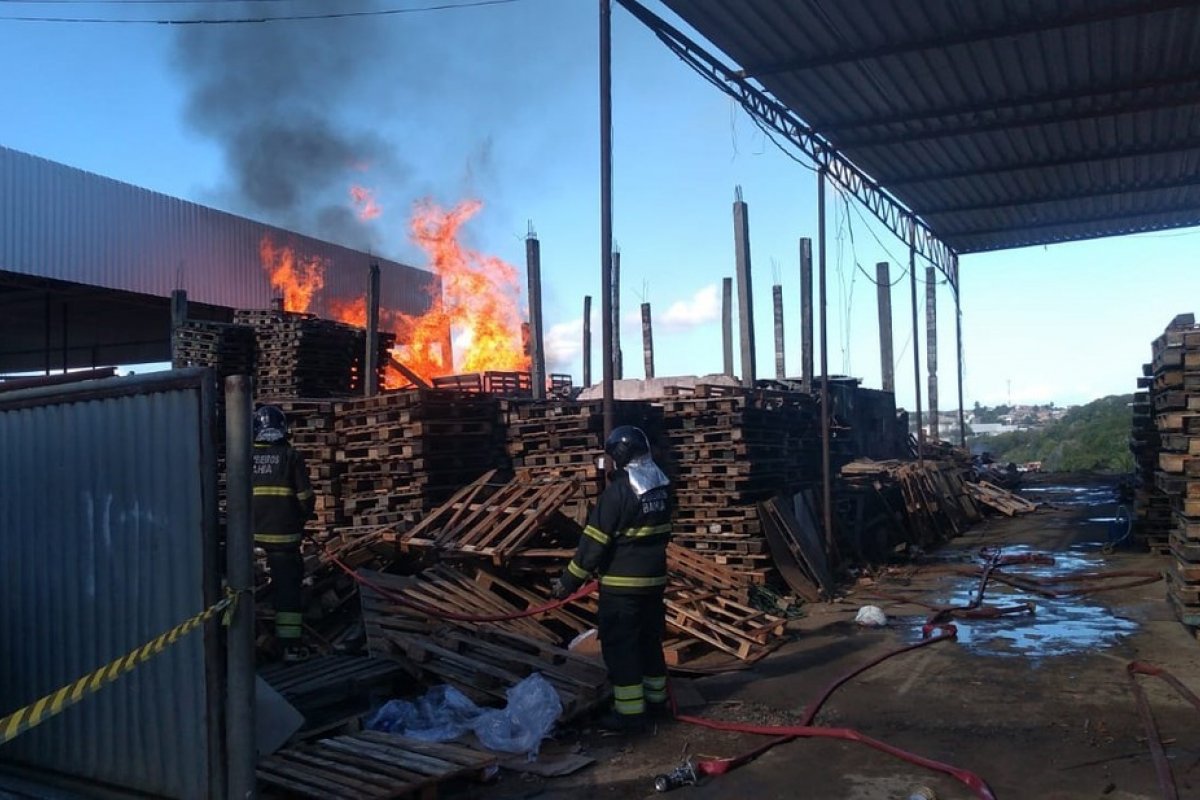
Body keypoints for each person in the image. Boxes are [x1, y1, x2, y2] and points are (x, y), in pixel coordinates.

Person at [552, 425, 672, 732]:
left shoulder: (618, 494)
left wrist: (567, 583)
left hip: (622, 589)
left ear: (619, 456)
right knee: (649, 644)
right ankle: (657, 705)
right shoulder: (662, 488)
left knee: (622, 649)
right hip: (654, 585)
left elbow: (593, 544)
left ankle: (630, 715)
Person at [251, 404, 316, 663]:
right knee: (287, 591)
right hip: (284, 538)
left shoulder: (245, 456)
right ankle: (290, 646)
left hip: (251, 537)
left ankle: (249, 642)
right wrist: (302, 517)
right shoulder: (291, 456)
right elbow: (305, 497)